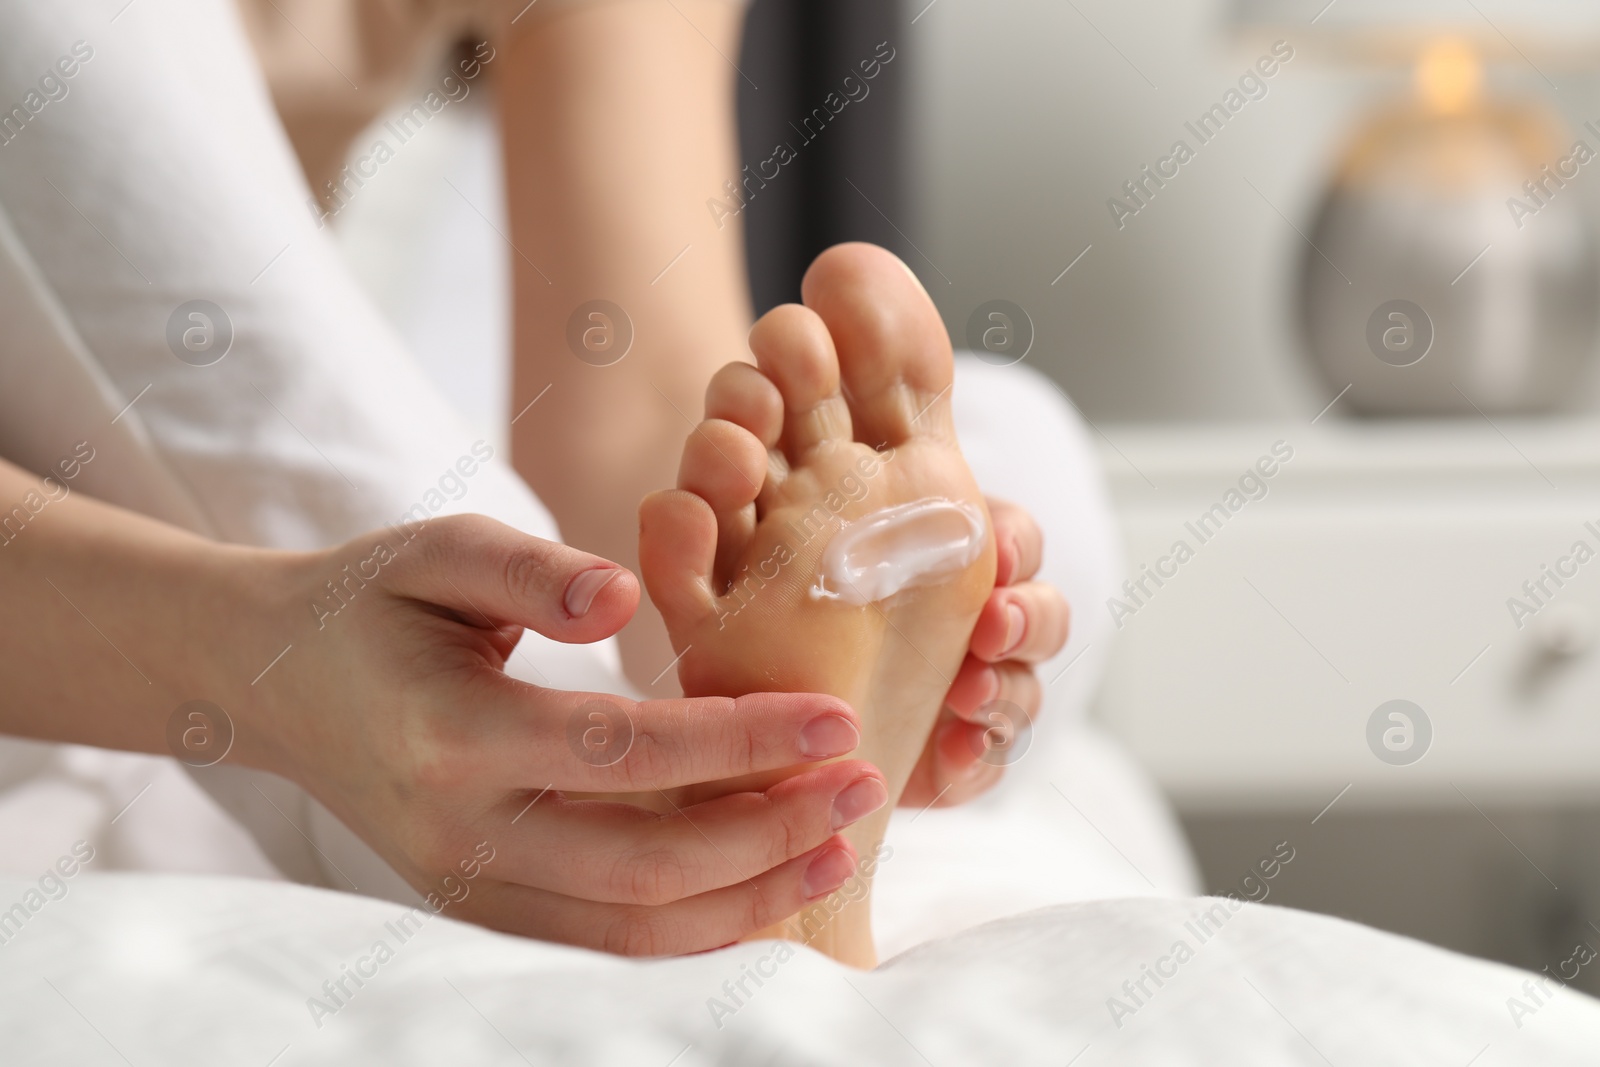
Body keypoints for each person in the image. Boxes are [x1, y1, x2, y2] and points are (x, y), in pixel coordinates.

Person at [0, 0, 1072, 960]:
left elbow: (645, 410)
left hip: (294, 545)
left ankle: (708, 753)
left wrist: (732, 591)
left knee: (1031, 451)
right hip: (81, 627)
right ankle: (618, 787)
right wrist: (258, 660)